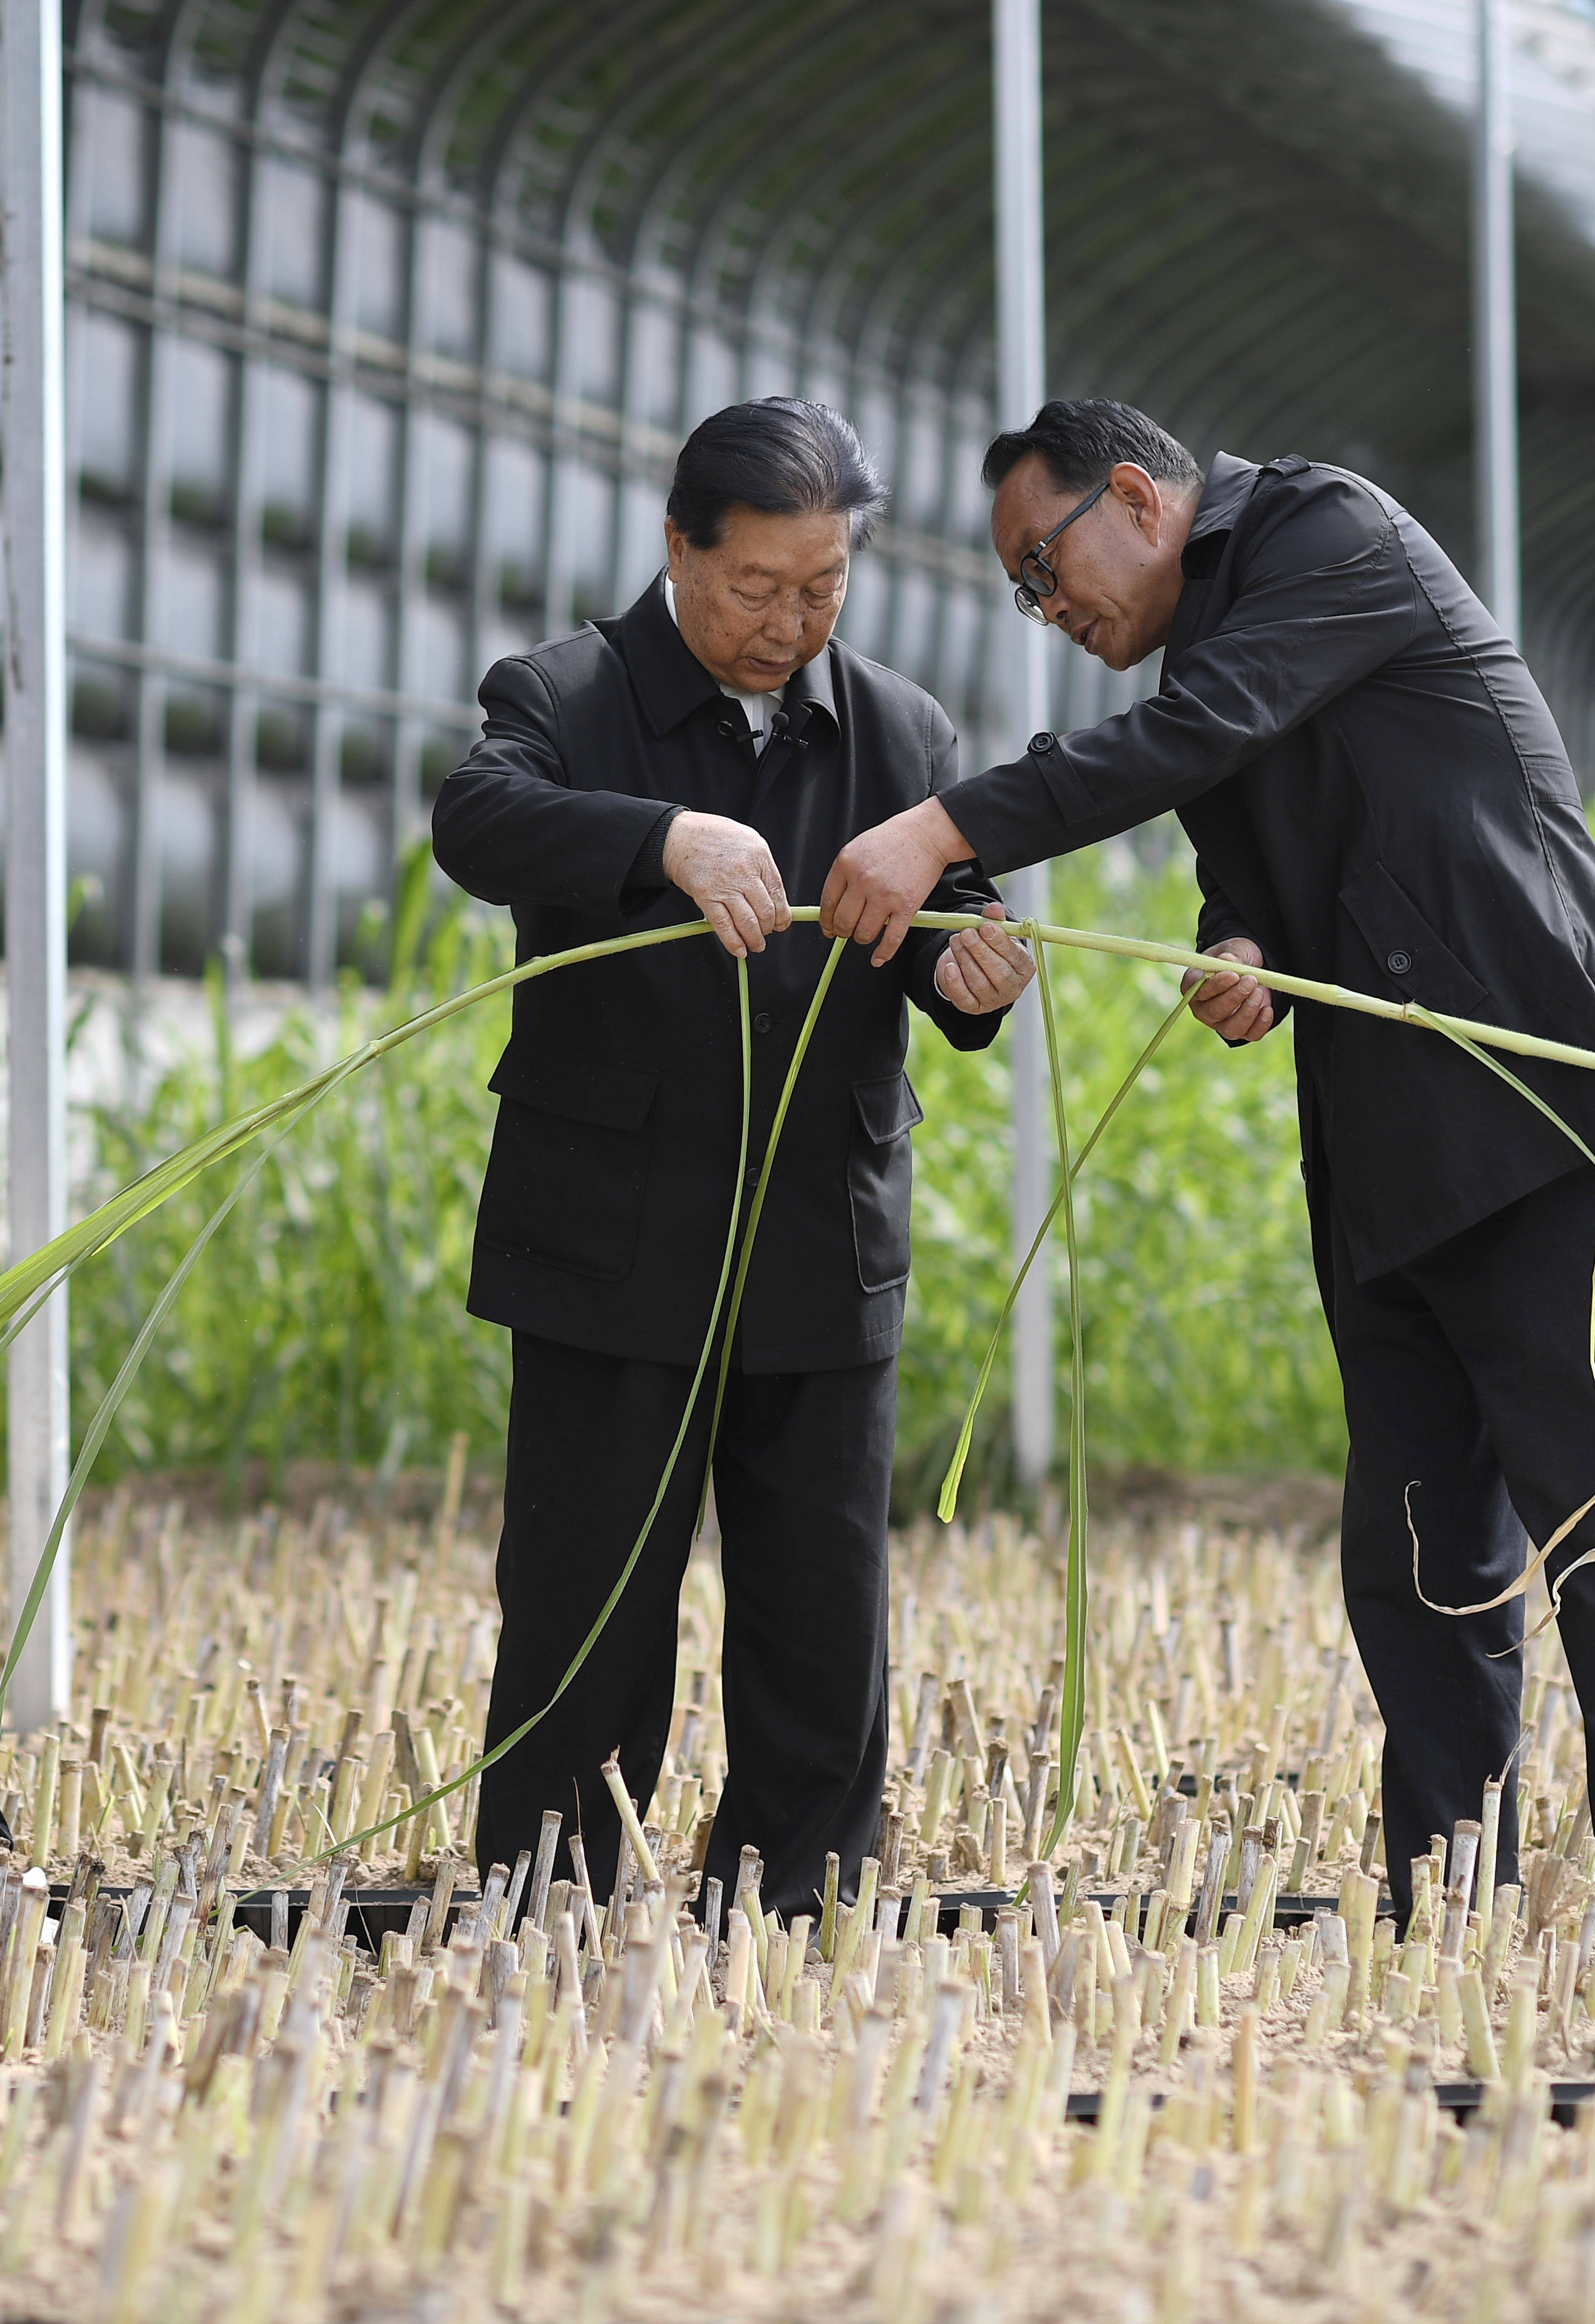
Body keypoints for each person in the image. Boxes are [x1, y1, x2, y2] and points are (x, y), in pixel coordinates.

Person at [820, 398, 1595, 1922]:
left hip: (1543, 1104)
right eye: (1025, 597)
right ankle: (1446, 1902)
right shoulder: (1212, 656)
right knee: (1418, 1556)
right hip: (1391, 1153)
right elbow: (1243, 871)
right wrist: (1236, 950)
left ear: (1135, 495)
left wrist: (941, 825)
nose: (1053, 614)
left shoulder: (1330, 533)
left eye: (1047, 571)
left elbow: (1199, 735)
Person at [431, 398, 1038, 1922]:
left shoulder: (901, 730)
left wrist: (975, 976)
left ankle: (805, 1902)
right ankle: (552, 1901)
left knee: (821, 1613)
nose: (789, 622)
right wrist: (664, 840)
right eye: (756, 586)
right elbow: (478, 818)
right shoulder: (565, 695)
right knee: (588, 1605)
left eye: (822, 587)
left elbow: (957, 929)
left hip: (821, 1237)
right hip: (610, 1241)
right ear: (675, 547)